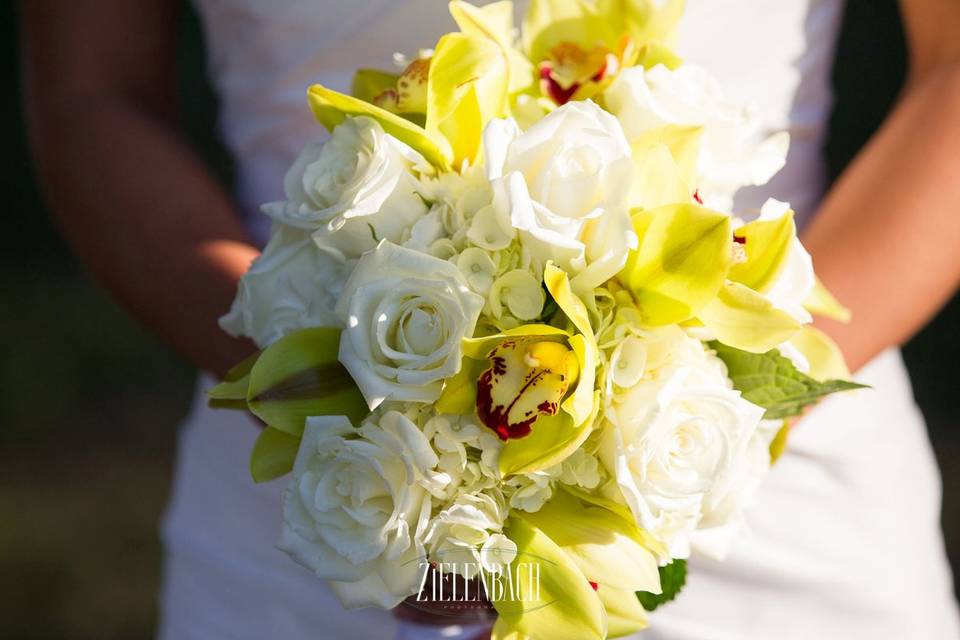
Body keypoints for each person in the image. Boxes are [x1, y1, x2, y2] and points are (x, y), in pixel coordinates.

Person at [19, 0, 960, 638]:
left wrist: (706, 406)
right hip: (325, 502)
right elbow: (92, 96)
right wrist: (351, 406)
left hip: (769, 499)